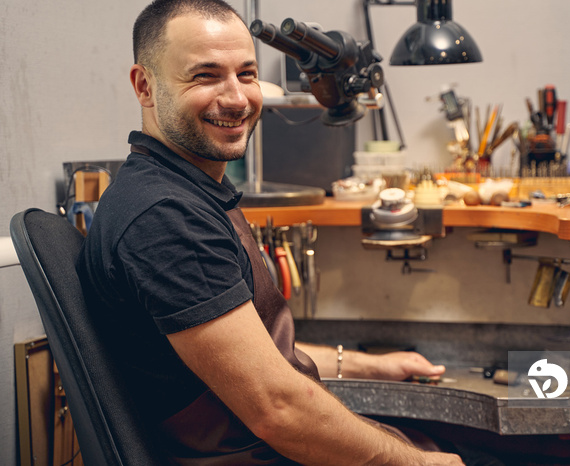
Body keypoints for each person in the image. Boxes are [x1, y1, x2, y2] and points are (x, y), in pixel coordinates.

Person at [78, 0, 468, 464]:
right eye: (205, 76)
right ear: (145, 86)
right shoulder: (166, 217)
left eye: (246, 73)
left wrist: (373, 365)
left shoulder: (189, 189)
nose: (237, 98)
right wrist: (419, 463)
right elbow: (278, 409)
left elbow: (255, 354)